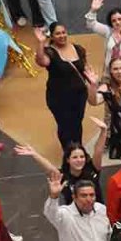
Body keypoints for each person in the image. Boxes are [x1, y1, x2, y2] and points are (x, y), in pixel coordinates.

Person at [34, 21, 94, 151]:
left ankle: (78, 150)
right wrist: (40, 43)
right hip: (59, 97)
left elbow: (86, 68)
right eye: (57, 33)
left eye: (63, 32)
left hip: (79, 95)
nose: (61, 36)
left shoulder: (78, 49)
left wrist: (93, 83)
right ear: (52, 36)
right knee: (65, 125)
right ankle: (69, 152)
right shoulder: (50, 52)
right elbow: (41, 61)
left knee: (77, 123)